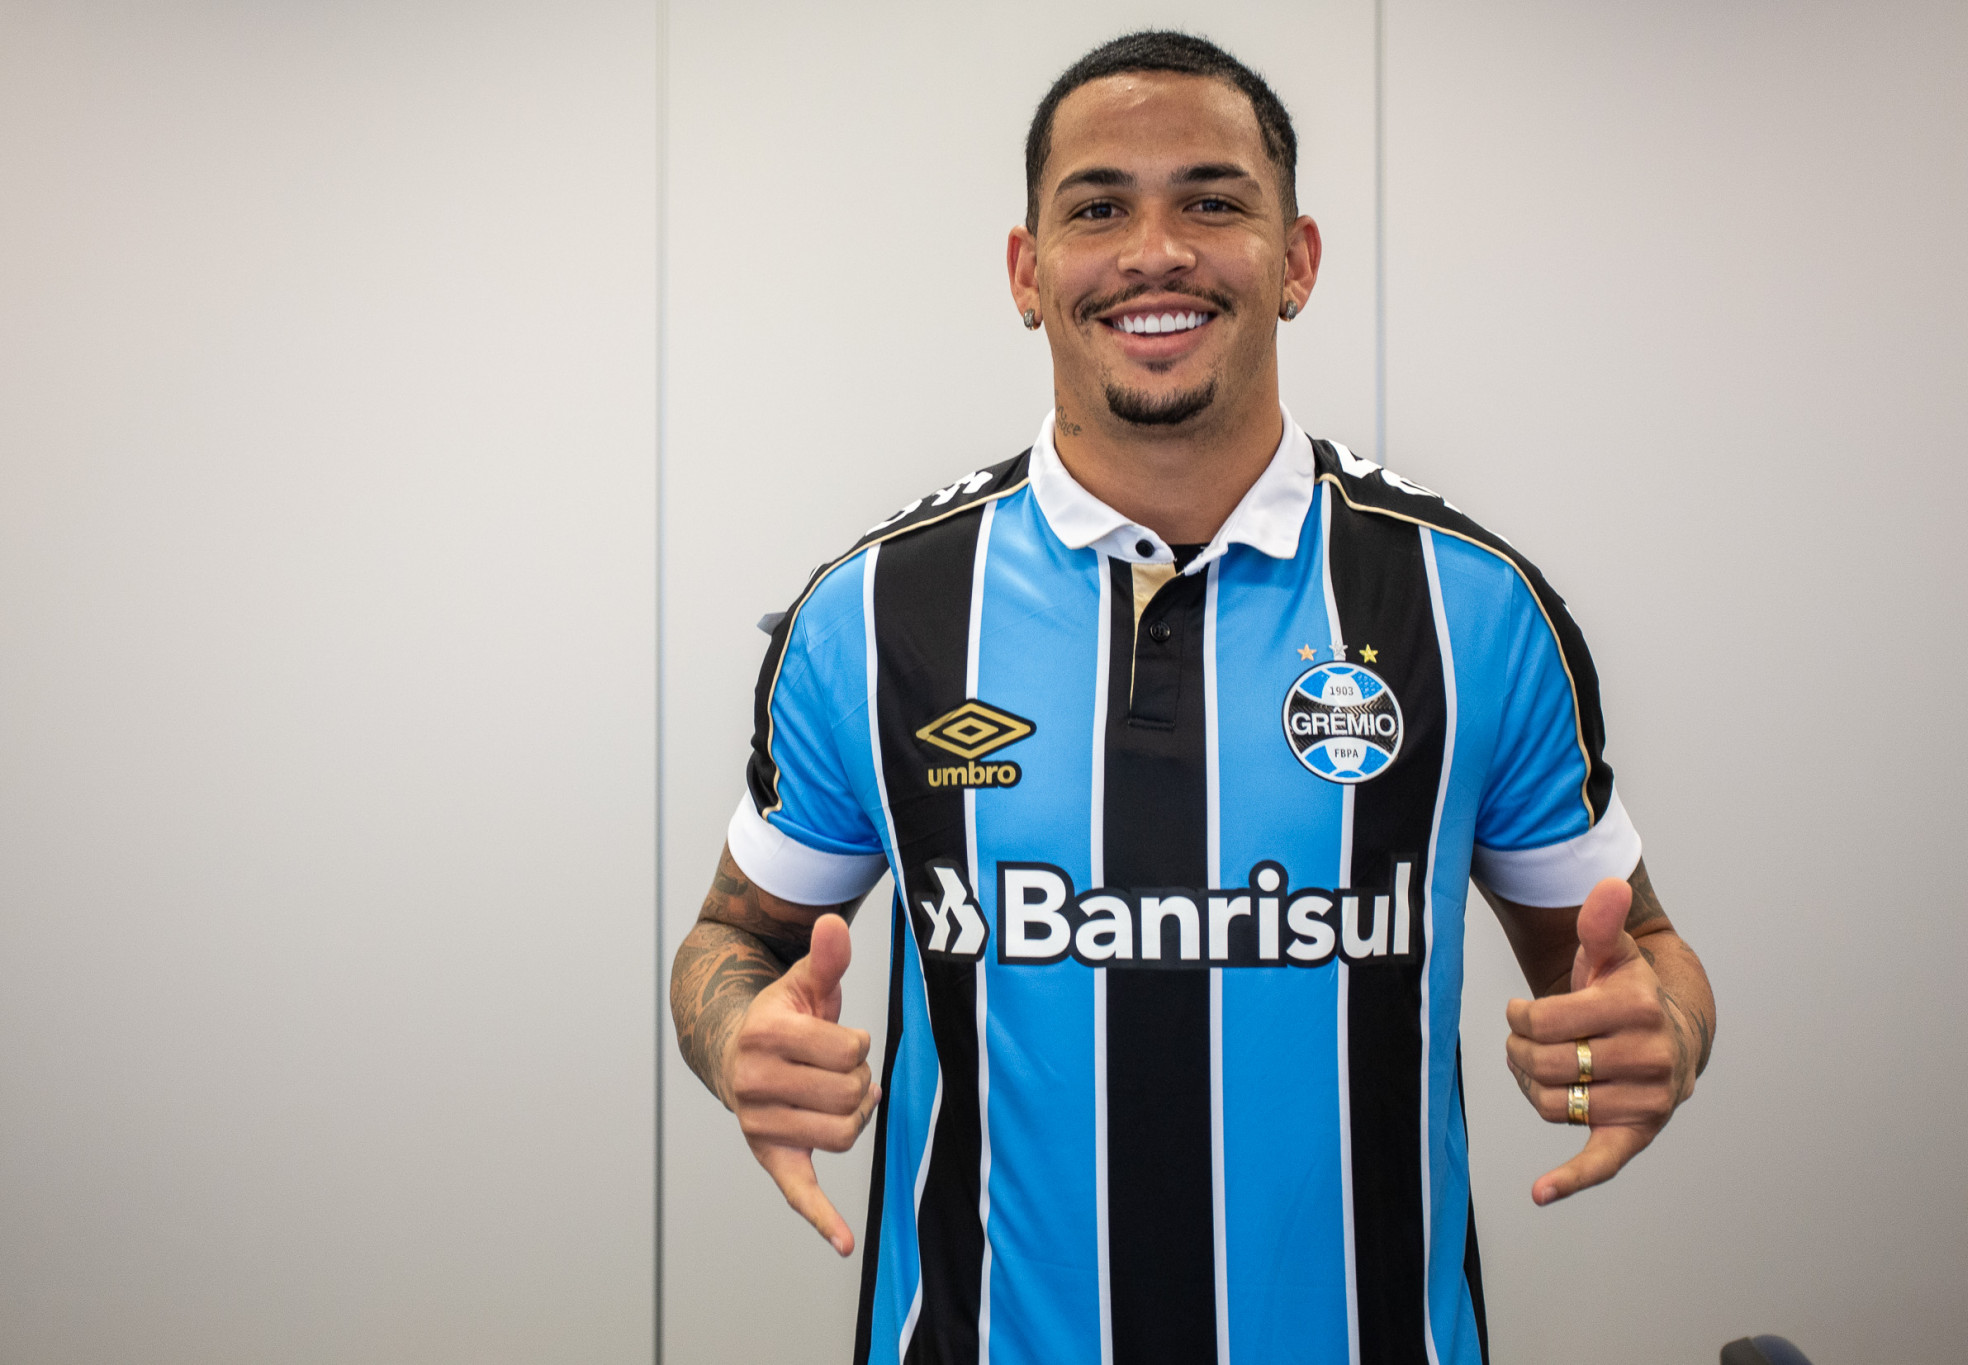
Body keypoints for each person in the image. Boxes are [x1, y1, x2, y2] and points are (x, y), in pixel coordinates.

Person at [670, 29, 1715, 1365]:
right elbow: (734, 936)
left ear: (1297, 260)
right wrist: (739, 1035)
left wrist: (1658, 1032)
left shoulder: (1475, 609)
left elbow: (1638, 954)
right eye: (1098, 208)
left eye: (1213, 202)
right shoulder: (876, 614)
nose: (1155, 250)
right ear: (1027, 271)